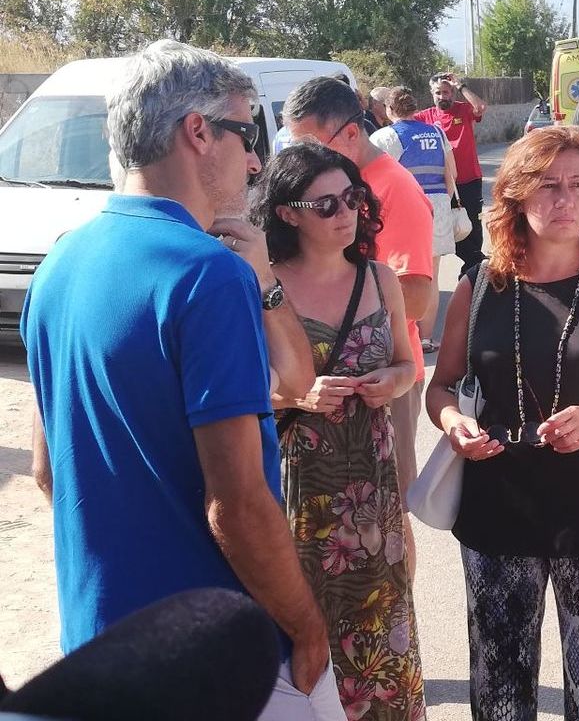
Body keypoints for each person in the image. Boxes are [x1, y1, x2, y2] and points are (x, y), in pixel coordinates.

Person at [20, 39, 345, 719]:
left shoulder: (58, 265)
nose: (257, 157)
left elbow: (48, 472)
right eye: (246, 130)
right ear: (198, 132)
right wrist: (310, 630)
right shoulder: (208, 275)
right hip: (211, 661)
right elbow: (238, 504)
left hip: (97, 648)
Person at [426, 126, 579, 721]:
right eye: (548, 186)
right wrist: (453, 419)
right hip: (496, 510)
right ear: (515, 196)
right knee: (499, 688)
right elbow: (442, 385)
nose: (565, 200)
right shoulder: (478, 284)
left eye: (578, 185)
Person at [250, 143, 424, 719]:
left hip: (372, 497)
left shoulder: (379, 278)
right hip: (299, 499)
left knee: (381, 643)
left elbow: (407, 363)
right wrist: (296, 395)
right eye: (326, 204)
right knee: (306, 643)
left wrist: (391, 383)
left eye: (352, 197)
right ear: (287, 213)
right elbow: (235, 394)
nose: (346, 212)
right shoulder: (263, 288)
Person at [283, 77, 433, 577]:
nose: (345, 212)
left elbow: (421, 294)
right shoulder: (268, 277)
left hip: (380, 386)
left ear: (349, 134)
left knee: (387, 522)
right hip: (309, 426)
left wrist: (356, 284)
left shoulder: (396, 189)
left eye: (306, 144)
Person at [371, 85, 459, 353]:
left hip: (405, 209)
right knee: (430, 275)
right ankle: (426, 338)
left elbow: (377, 175)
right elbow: (451, 173)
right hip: (439, 206)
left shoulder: (385, 136)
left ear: (389, 109)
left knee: (398, 273)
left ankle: (402, 338)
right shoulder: (437, 132)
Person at [415, 73, 487, 276]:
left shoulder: (463, 110)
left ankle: (473, 267)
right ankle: (469, 262)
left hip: (469, 179)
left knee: (471, 223)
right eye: (438, 92)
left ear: (452, 93)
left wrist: (462, 85)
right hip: (442, 183)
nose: (442, 96)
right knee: (447, 223)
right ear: (432, 94)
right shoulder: (424, 117)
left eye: (446, 92)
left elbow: (480, 108)